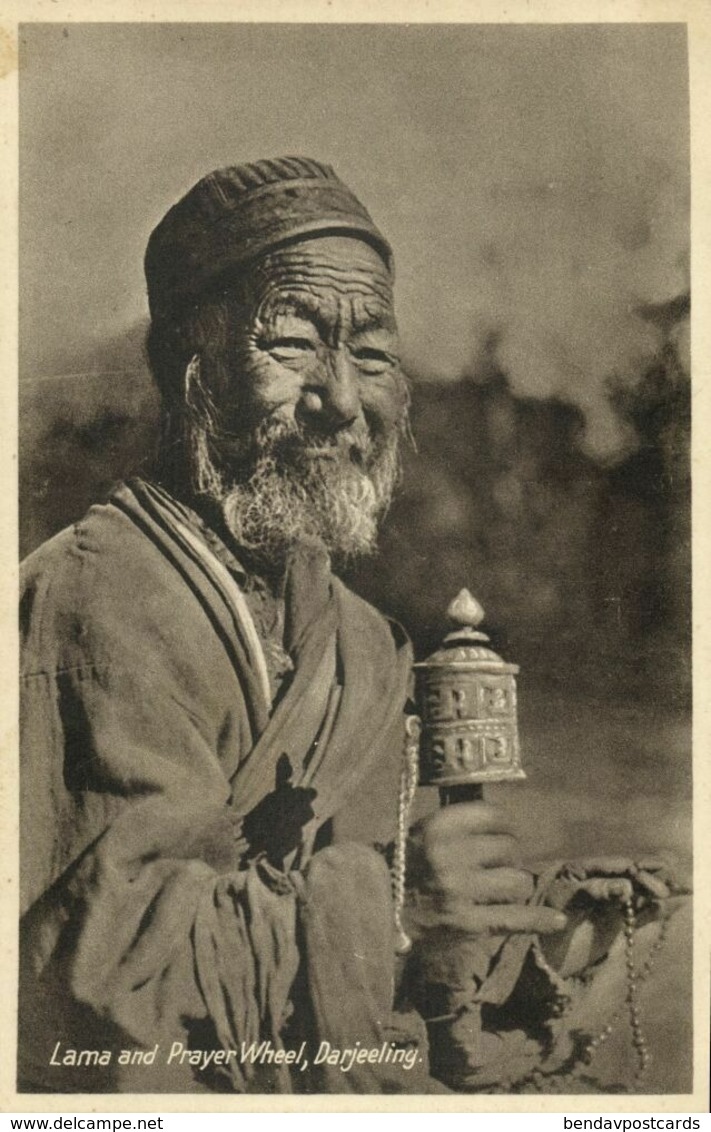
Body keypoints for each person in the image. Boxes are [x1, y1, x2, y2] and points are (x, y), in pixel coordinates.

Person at [19, 157, 682, 1095]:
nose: (341, 398)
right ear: (185, 364)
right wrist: (398, 910)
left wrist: (503, 932)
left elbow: (358, 1004)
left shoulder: (365, 646)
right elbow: (89, 997)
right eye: (291, 344)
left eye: (371, 355)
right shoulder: (90, 603)